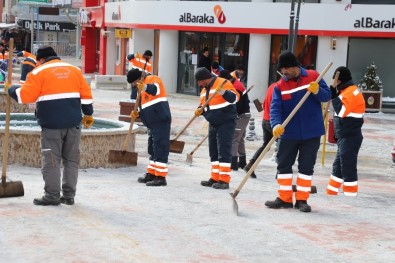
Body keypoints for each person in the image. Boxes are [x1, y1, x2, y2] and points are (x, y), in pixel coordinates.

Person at [8, 46, 94, 206]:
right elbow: (87, 95)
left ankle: (52, 196)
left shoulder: (38, 72)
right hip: (74, 124)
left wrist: (12, 90)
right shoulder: (74, 70)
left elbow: (25, 96)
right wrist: (88, 113)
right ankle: (69, 196)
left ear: (40, 59)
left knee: (52, 160)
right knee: (71, 160)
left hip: (51, 125)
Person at [265, 51, 330, 212]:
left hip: (311, 132)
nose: (284, 72)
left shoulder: (313, 76)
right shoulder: (280, 86)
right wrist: (276, 125)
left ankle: (302, 200)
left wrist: (317, 91)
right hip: (288, 133)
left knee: (306, 168)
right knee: (283, 166)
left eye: (286, 68)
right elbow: (275, 109)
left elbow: (327, 96)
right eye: (282, 69)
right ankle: (284, 198)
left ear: (295, 66)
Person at [194, 67, 239, 189]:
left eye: (199, 81)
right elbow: (204, 105)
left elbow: (235, 98)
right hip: (213, 122)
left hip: (226, 122)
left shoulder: (223, 83)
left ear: (205, 78)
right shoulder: (204, 90)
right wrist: (200, 110)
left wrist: (224, 92)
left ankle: (224, 180)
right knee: (213, 151)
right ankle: (215, 177)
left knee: (223, 150)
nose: (199, 84)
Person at [126, 68, 171, 187]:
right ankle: (151, 173)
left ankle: (160, 177)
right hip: (152, 122)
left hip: (160, 119)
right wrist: (138, 114)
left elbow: (155, 90)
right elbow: (147, 106)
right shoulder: (140, 89)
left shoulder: (153, 79)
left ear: (139, 78)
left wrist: (144, 87)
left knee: (160, 147)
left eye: (134, 83)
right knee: (152, 149)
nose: (134, 85)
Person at [326, 66, 365, 197]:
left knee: (347, 165)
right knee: (338, 165)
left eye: (336, 80)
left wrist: (334, 97)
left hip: (350, 136)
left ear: (341, 80)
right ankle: (331, 192)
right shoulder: (347, 91)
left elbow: (342, 112)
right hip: (345, 136)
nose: (335, 83)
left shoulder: (351, 92)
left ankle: (350, 195)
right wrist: (335, 95)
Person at [219, 69, 251, 171]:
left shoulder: (236, 86)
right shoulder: (233, 83)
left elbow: (237, 104)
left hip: (242, 115)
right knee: (240, 139)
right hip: (242, 114)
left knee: (234, 138)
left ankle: (233, 164)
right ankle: (242, 162)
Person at [243, 82, 276, 178]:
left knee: (266, 146)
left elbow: (264, 104)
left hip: (265, 120)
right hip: (275, 122)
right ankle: (282, 172)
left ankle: (250, 164)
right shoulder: (282, 88)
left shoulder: (271, 86)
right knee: (284, 147)